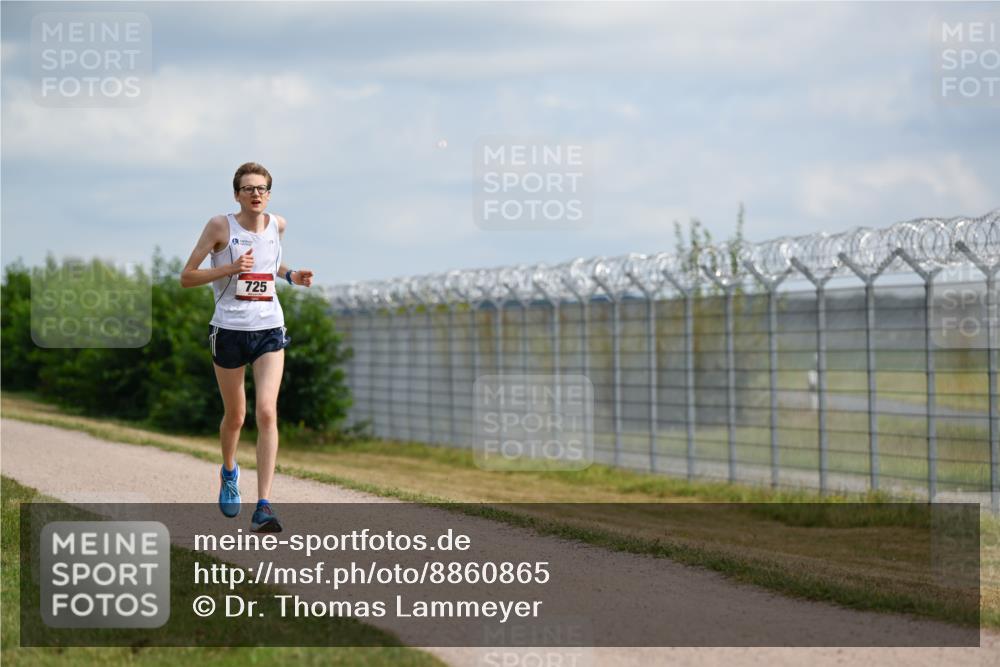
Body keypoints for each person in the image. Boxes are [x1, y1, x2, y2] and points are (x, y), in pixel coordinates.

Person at [180, 162, 314, 532]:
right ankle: (228, 471)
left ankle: (264, 505)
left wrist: (290, 276)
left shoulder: (278, 225)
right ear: (237, 194)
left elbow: (268, 264)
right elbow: (187, 277)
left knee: (267, 412)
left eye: (262, 188)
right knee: (236, 416)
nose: (256, 194)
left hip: (269, 327)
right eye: (248, 188)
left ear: (269, 194)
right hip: (229, 330)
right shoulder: (220, 226)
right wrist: (229, 268)